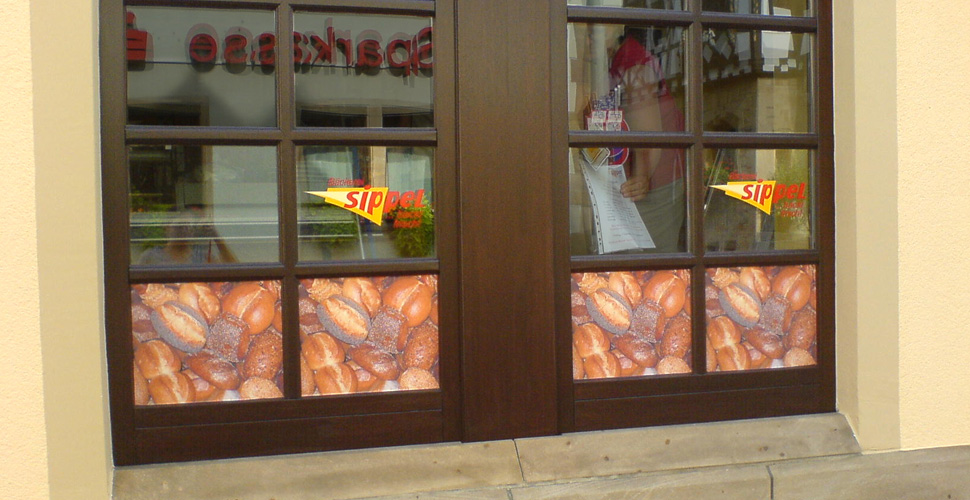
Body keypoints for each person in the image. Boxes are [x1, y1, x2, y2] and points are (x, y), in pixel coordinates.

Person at [609, 28, 686, 253]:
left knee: (649, 264)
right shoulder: (624, 59)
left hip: (656, 185)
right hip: (651, 179)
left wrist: (641, 178)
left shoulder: (633, 63)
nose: (586, 38)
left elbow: (647, 136)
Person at [137, 205, 237, 264]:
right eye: (179, 225)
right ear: (166, 227)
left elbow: (233, 270)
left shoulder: (201, 256)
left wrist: (217, 238)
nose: (184, 230)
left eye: (188, 225)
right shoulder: (151, 256)